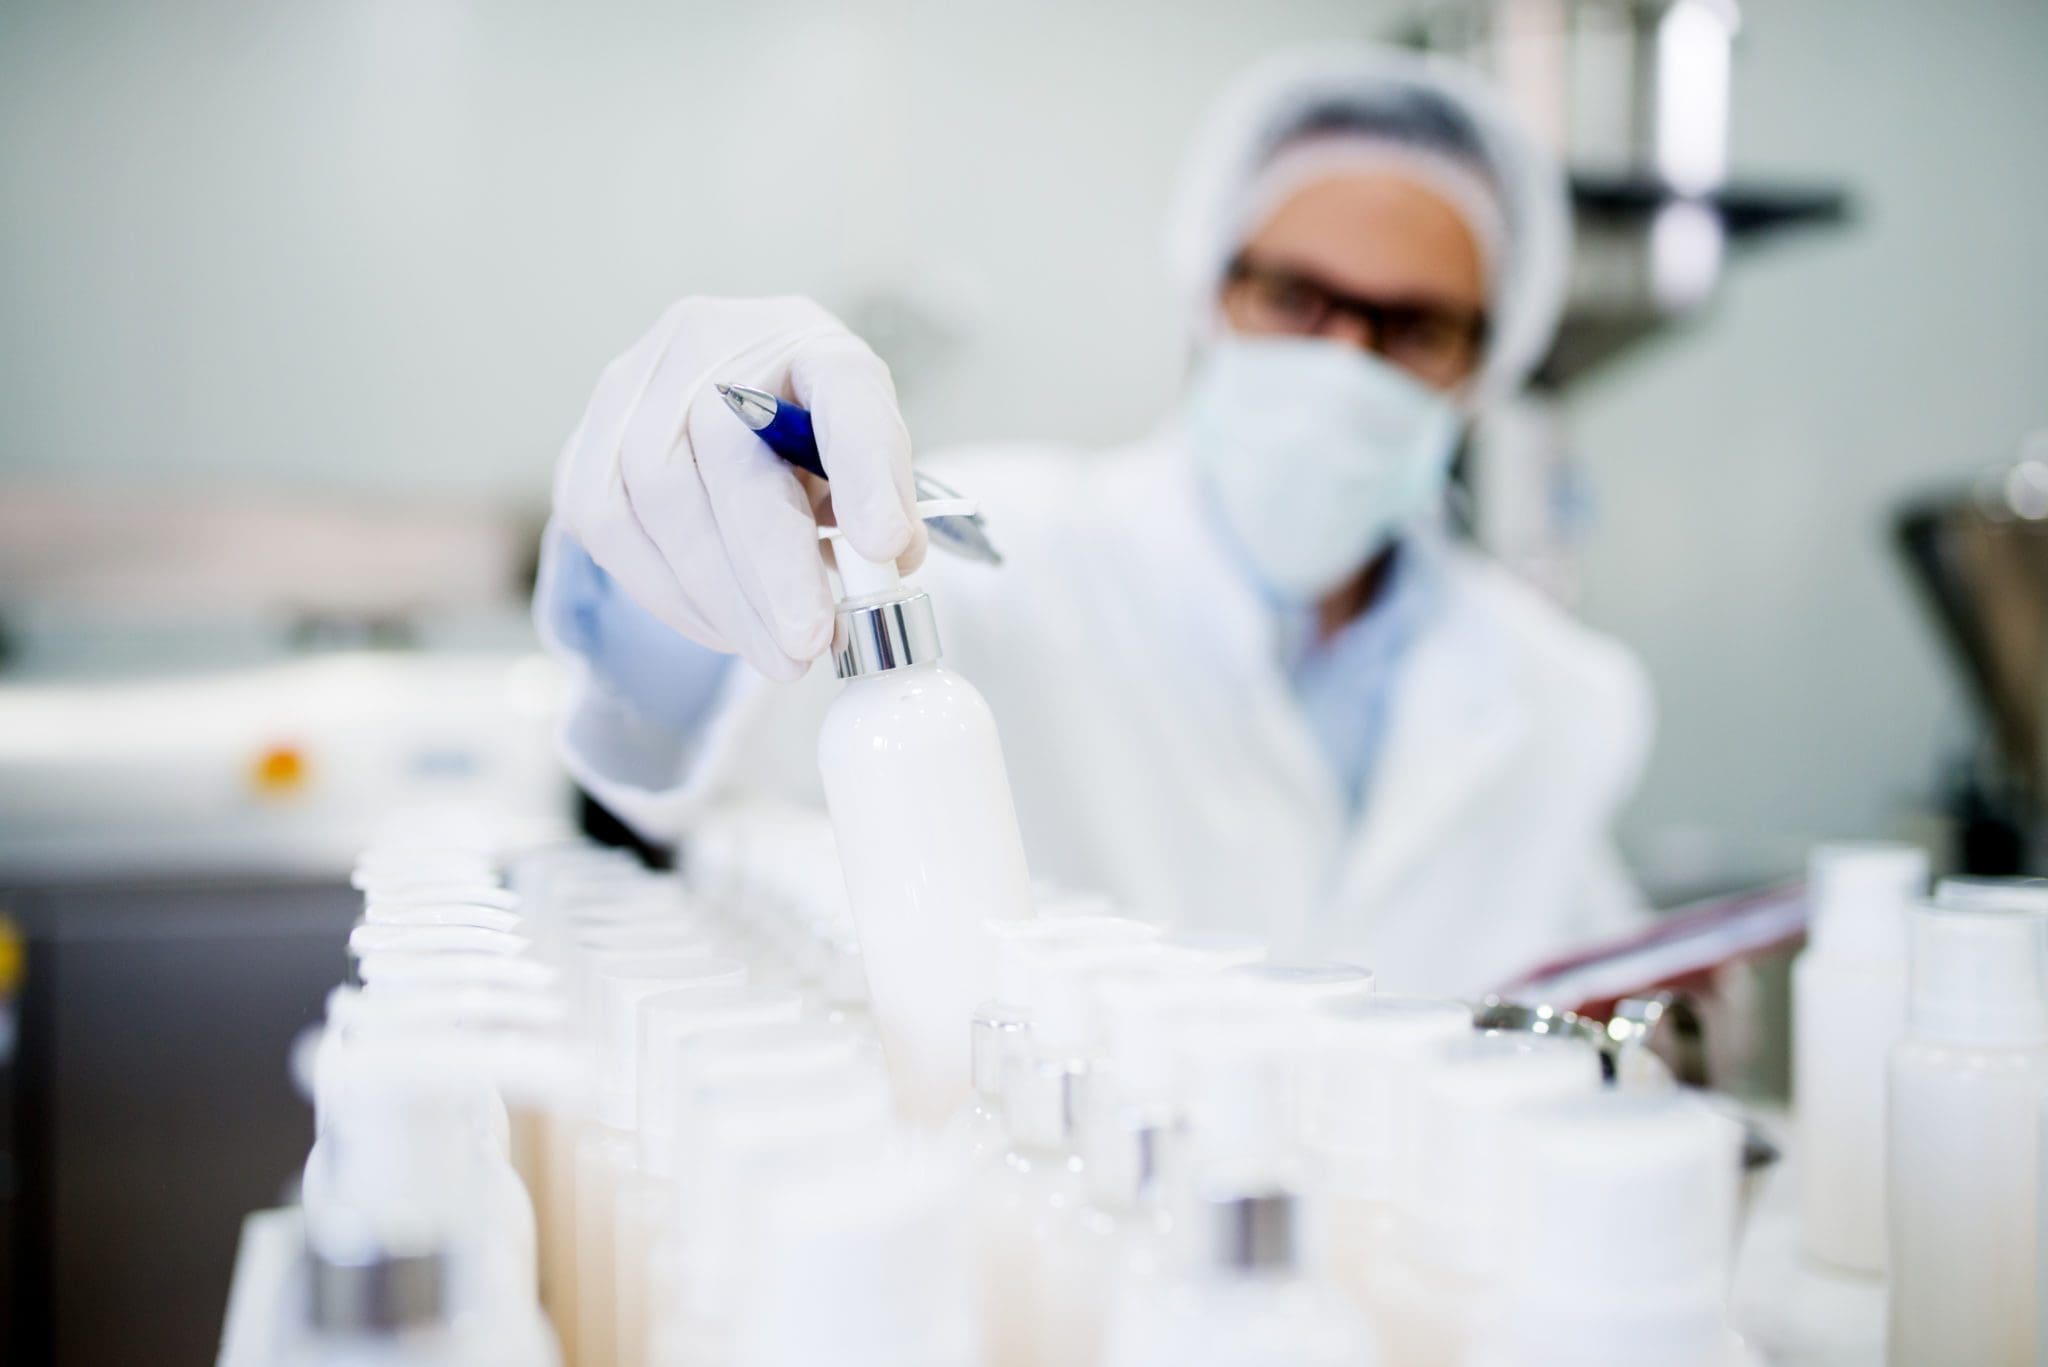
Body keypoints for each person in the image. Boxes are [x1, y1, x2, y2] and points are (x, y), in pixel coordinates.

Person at [534, 45, 1653, 997]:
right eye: (1292, 296)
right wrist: (670, 542)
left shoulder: (1559, 695)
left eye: (1410, 327)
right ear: (1210, 293)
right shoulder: (988, 554)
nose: (1339, 359)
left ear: (1485, 365)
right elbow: (663, 768)